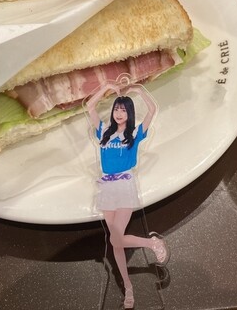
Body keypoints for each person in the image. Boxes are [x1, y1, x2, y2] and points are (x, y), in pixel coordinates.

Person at [86, 81, 169, 309]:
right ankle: (128, 286)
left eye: (123, 109)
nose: (119, 113)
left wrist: (139, 90)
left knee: (115, 238)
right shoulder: (103, 131)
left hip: (125, 185)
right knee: (116, 242)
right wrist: (105, 87)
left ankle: (152, 243)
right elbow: (90, 107)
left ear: (129, 113)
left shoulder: (135, 133)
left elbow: (152, 110)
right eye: (116, 108)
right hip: (106, 186)